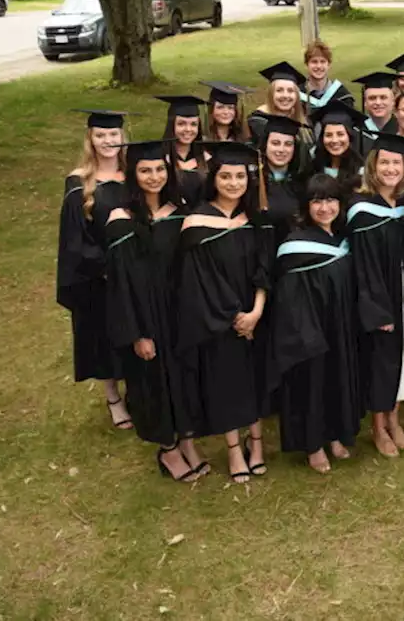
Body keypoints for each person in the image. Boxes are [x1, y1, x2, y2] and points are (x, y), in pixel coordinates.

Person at [104, 140, 206, 482]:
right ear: (133, 174)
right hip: (146, 315)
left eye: (160, 169)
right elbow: (119, 285)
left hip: (179, 312)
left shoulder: (179, 213)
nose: (154, 177)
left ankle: (188, 440)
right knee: (155, 382)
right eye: (145, 170)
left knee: (185, 377)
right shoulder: (122, 221)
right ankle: (168, 449)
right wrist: (137, 332)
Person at [175, 142, 271, 484]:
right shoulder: (197, 223)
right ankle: (233, 449)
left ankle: (256, 444)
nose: (234, 183)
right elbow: (200, 279)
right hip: (220, 319)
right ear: (213, 179)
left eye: (240, 176)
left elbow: (263, 268)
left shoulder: (253, 219)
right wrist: (236, 318)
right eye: (226, 176)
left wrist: (257, 311)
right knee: (228, 383)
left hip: (256, 317)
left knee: (256, 381)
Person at [267, 173, 362, 473]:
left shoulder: (342, 240)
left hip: (340, 327)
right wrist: (308, 334)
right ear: (306, 206)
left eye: (331, 200)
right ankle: (313, 445)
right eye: (317, 201)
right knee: (312, 385)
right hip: (310, 332)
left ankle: (335, 435)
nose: (325, 208)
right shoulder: (295, 247)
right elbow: (289, 299)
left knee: (337, 380)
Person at [57, 109, 131, 430]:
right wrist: (106, 267)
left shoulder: (135, 174)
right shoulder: (78, 184)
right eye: (101, 135)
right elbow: (75, 238)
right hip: (100, 275)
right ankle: (113, 397)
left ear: (122, 137)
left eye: (113, 135)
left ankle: (138, 391)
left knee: (136, 333)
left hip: (136, 271)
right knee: (105, 336)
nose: (108, 141)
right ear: (91, 139)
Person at [349, 132, 404, 457]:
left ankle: (394, 419)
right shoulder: (361, 210)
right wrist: (378, 310)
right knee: (380, 361)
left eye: (397, 163)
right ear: (373, 168)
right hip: (379, 299)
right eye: (385, 162)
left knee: (401, 358)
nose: (391, 168)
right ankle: (378, 428)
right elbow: (363, 266)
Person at [260, 116, 307, 249]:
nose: (281, 150)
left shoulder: (302, 183)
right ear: (265, 145)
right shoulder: (253, 182)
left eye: (288, 144)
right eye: (275, 143)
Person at [158, 95, 207, 206]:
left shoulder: (208, 159)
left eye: (193, 124)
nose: (188, 129)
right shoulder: (160, 157)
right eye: (181, 124)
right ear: (171, 125)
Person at [309, 100, 366, 195]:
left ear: (349, 137)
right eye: (328, 135)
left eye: (340, 134)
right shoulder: (312, 168)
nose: (334, 140)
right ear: (322, 138)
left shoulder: (361, 172)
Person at [249, 61, 310, 146]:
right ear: (271, 94)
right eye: (279, 90)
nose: (285, 95)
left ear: (297, 95)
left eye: (290, 91)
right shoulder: (258, 121)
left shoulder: (303, 121)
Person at [354, 71, 399, 156]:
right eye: (372, 98)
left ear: (393, 101)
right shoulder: (356, 131)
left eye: (383, 97)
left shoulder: (402, 129)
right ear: (365, 103)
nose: (378, 102)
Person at [301, 39, 354, 111]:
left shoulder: (342, 95)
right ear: (306, 65)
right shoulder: (298, 94)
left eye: (323, 62)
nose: (319, 66)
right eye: (314, 62)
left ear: (329, 65)